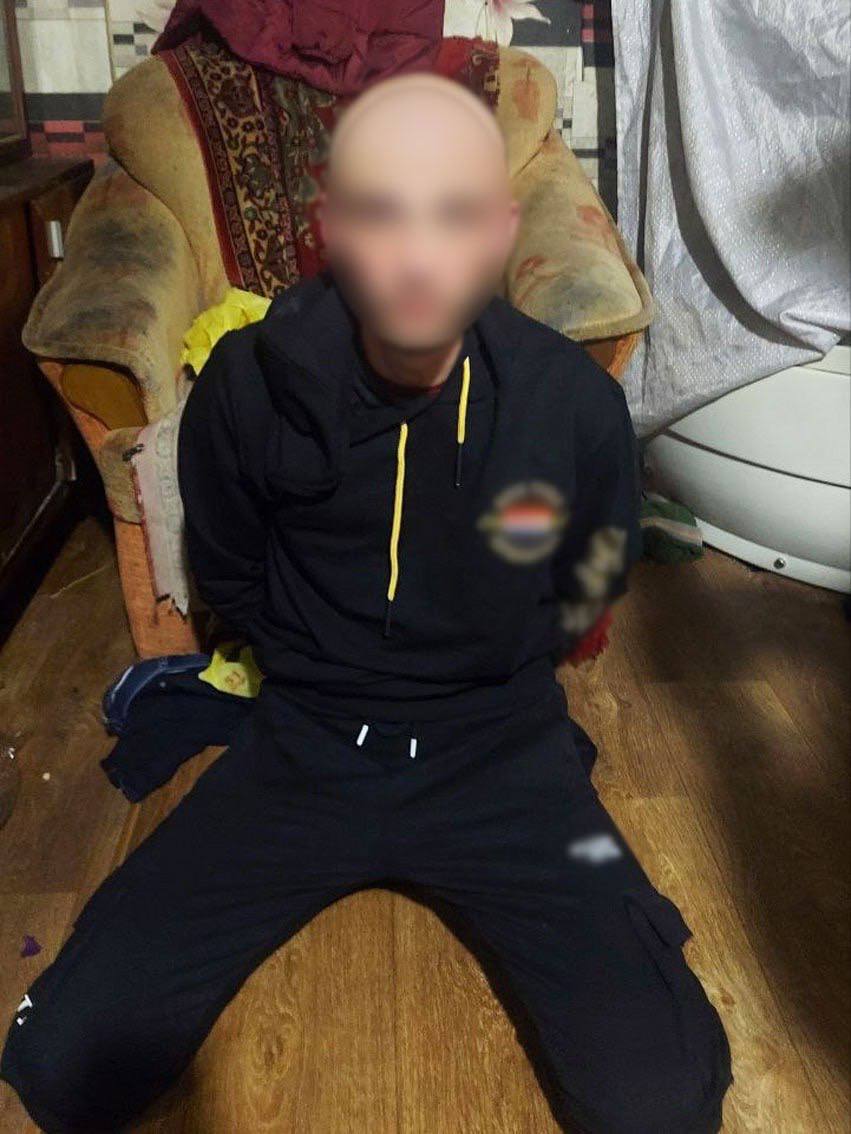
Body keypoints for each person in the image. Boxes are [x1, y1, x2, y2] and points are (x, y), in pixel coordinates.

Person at [0, 72, 733, 1133]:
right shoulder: (249, 383)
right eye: (383, 213)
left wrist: (496, 673)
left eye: (453, 215)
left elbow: (591, 571)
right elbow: (229, 565)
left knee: (661, 1104)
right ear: (333, 228)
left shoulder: (568, 402)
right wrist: (312, 666)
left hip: (500, 752)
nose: (418, 258)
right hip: (304, 743)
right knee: (63, 1067)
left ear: (497, 231)